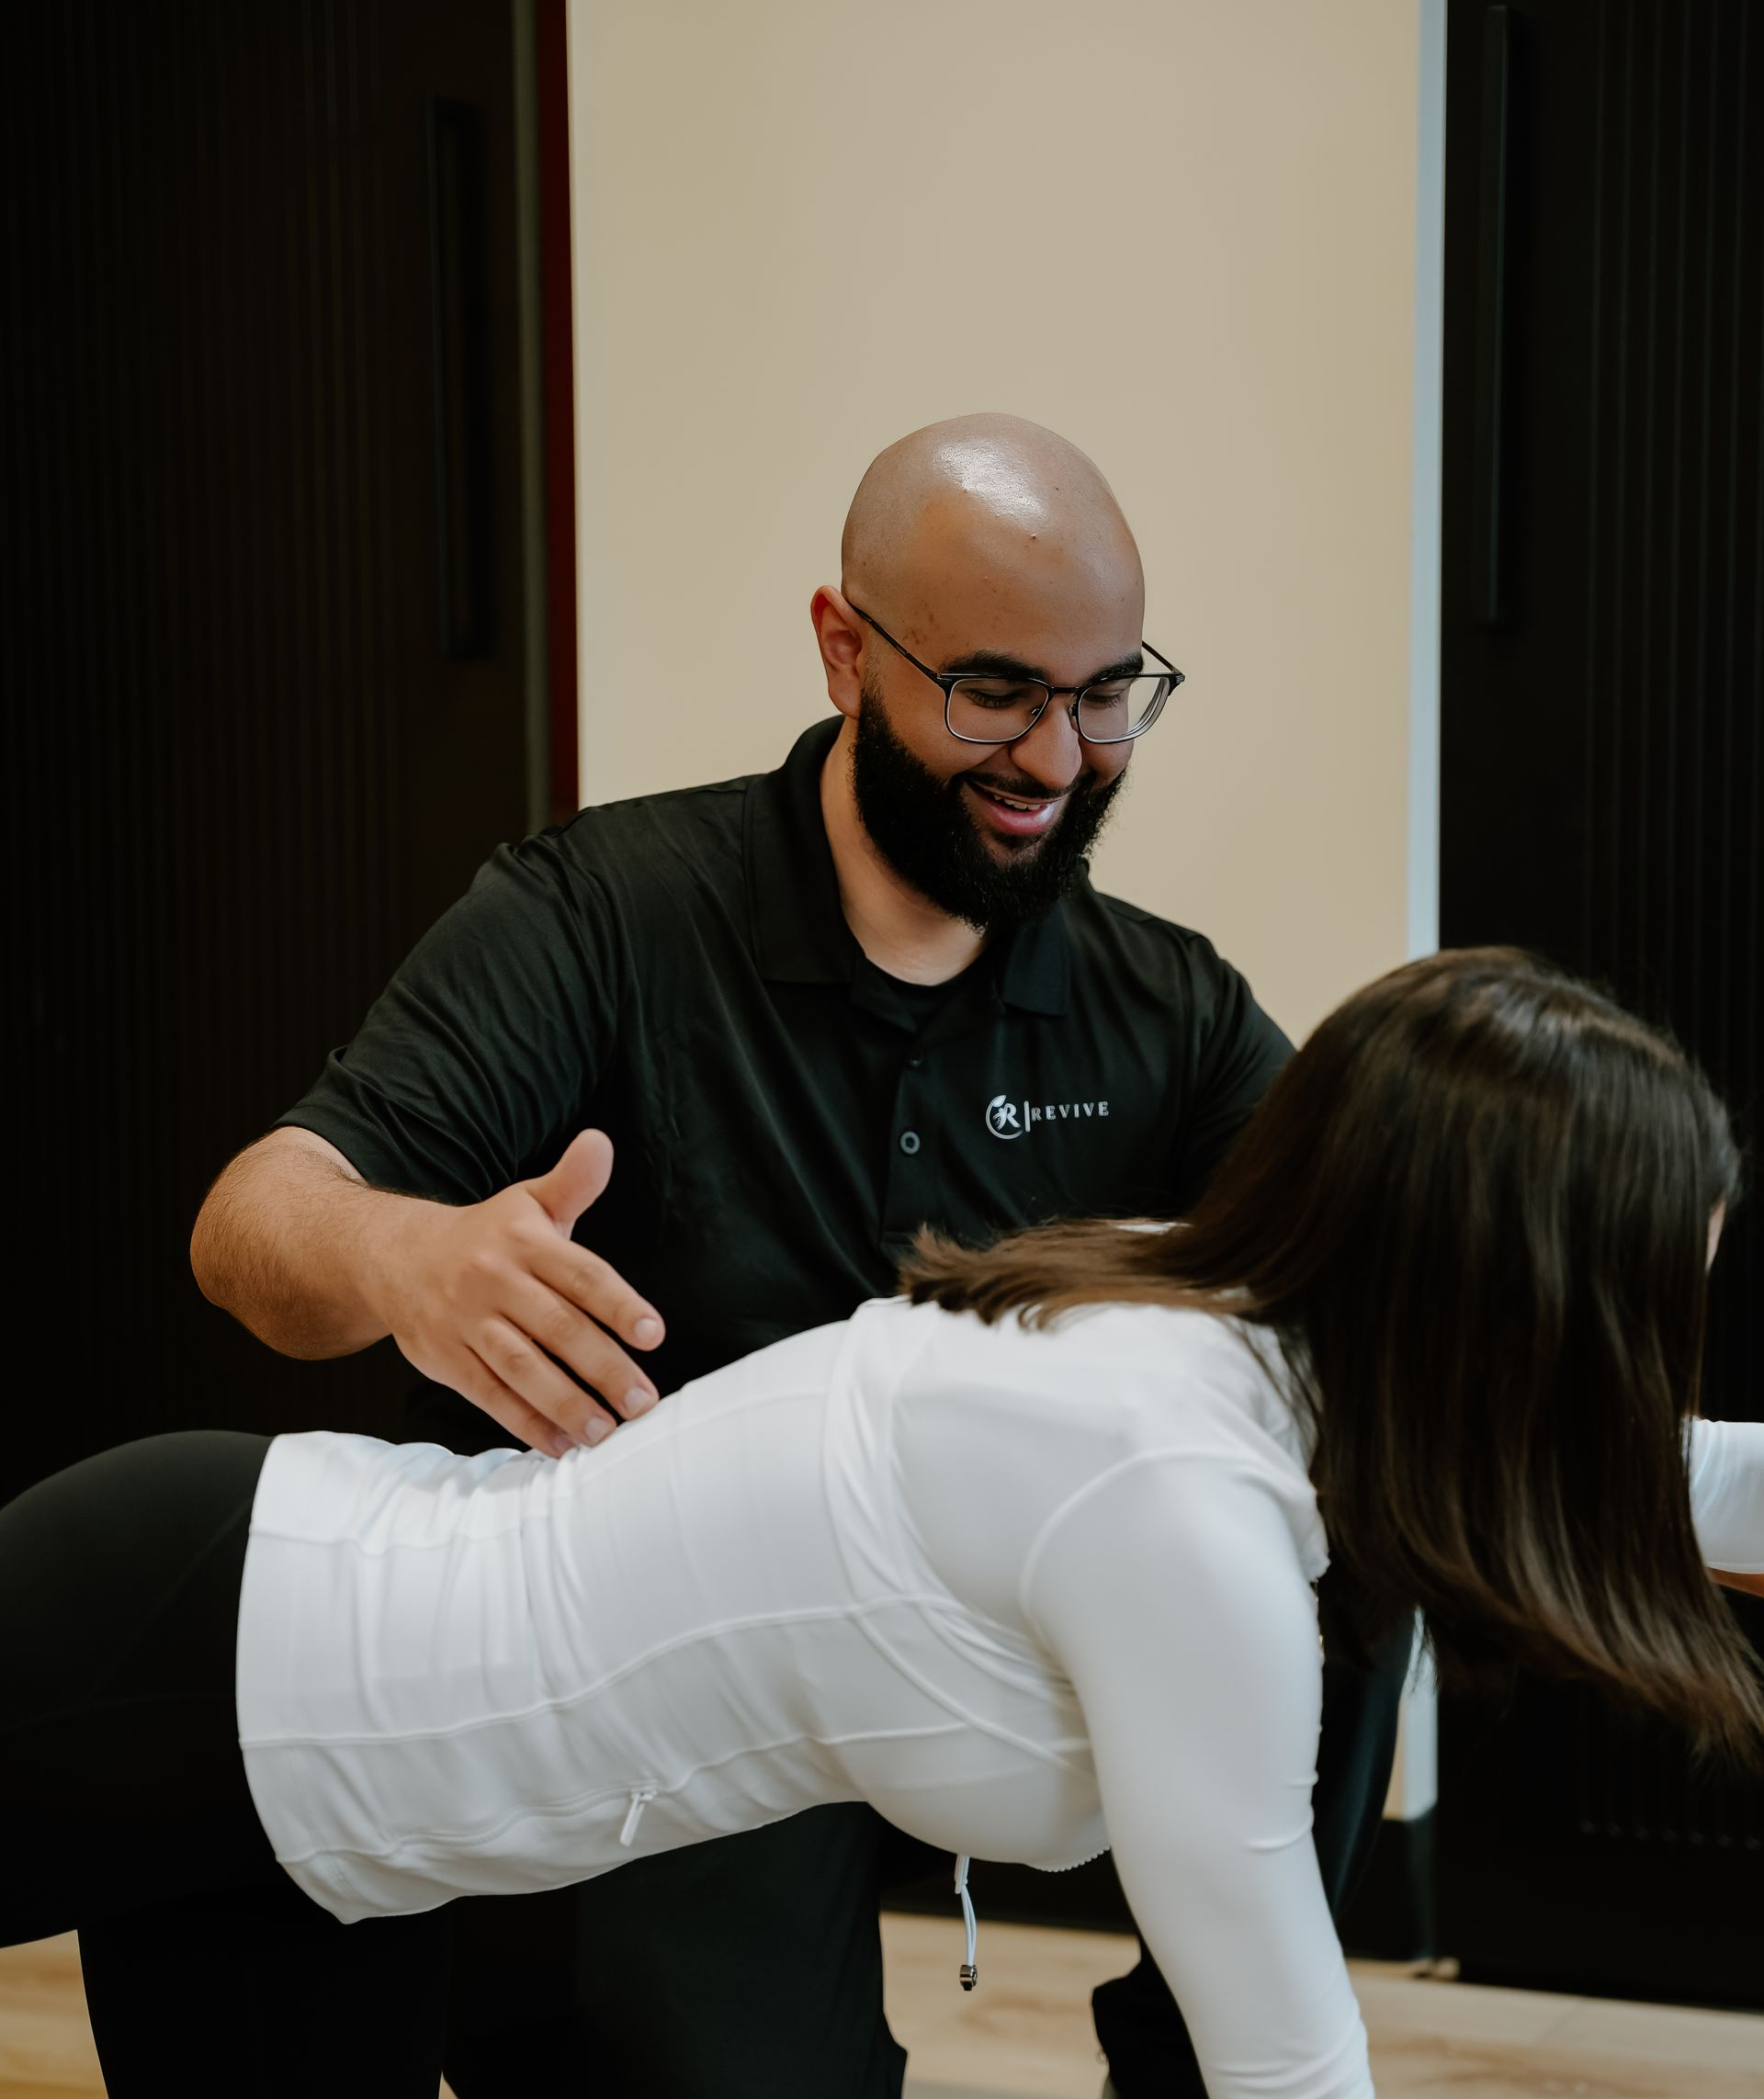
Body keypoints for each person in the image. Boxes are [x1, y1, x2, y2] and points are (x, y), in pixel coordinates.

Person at [185, 412, 1405, 2099]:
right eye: (996, 690)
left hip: (993, 1661)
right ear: (845, 649)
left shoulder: (1165, 1009)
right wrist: (402, 1252)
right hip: (677, 1685)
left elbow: (1394, 1306)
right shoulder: (606, 915)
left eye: (1109, 691)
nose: (1060, 756)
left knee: (1373, 1514)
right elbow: (255, 1220)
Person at [4, 950, 1762, 2099]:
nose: (1638, 1375)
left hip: (344, 1842)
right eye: (1637, 1319)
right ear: (1515, 1309)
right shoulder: (1180, 1503)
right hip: (193, 1650)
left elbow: (1615, 1459)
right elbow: (1288, 2062)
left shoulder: (1212, 1326)